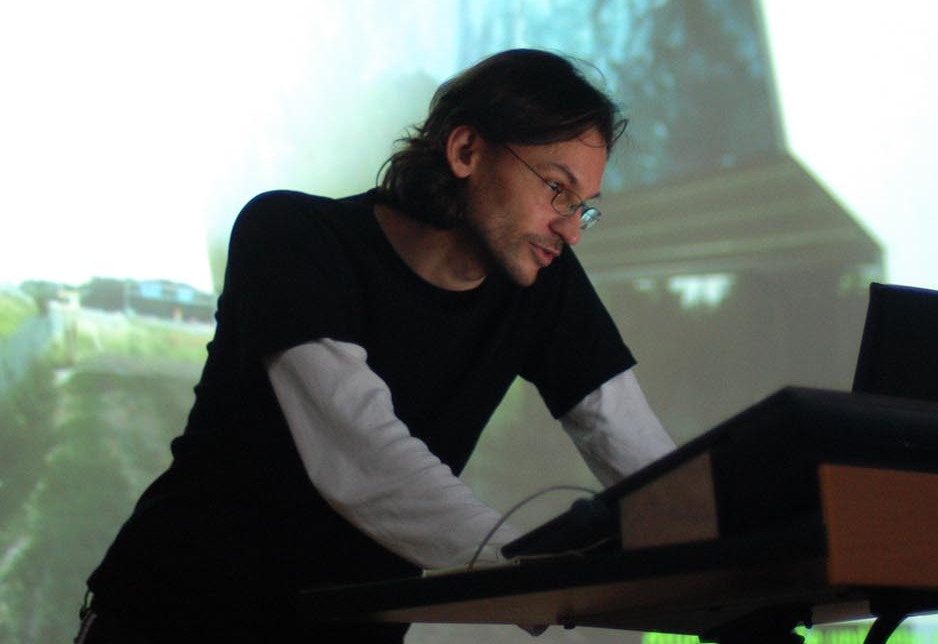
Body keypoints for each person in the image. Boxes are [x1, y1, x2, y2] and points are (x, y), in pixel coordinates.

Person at [78, 48, 675, 642]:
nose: (570, 228)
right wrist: (521, 570)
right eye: (557, 189)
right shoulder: (292, 236)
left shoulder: (544, 281)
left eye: (583, 208)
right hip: (175, 617)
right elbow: (362, 457)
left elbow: (628, 437)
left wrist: (714, 543)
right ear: (466, 151)